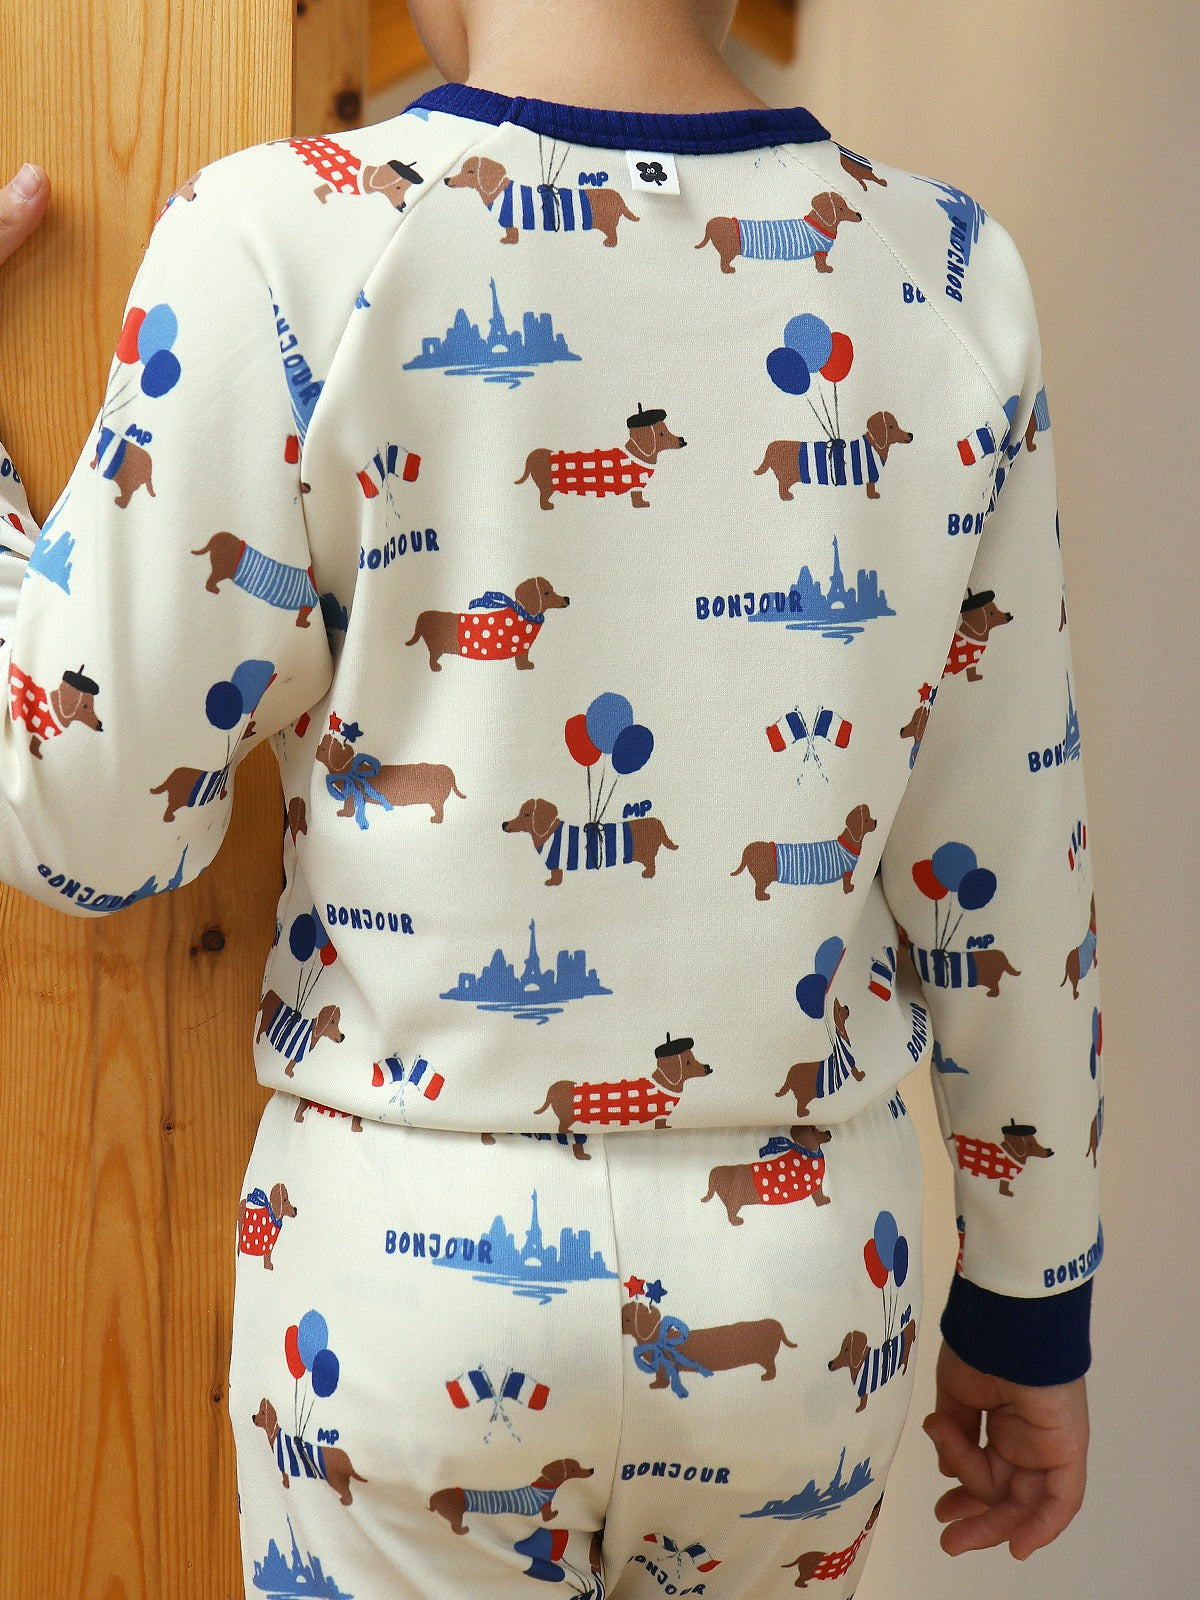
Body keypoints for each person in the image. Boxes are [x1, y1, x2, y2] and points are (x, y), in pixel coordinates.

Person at [0, 1, 1100, 1594]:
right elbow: (1009, 854)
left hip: (408, 1271)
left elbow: (81, 815)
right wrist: (1031, 1294)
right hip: (803, 1289)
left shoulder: (281, 237)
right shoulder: (944, 270)